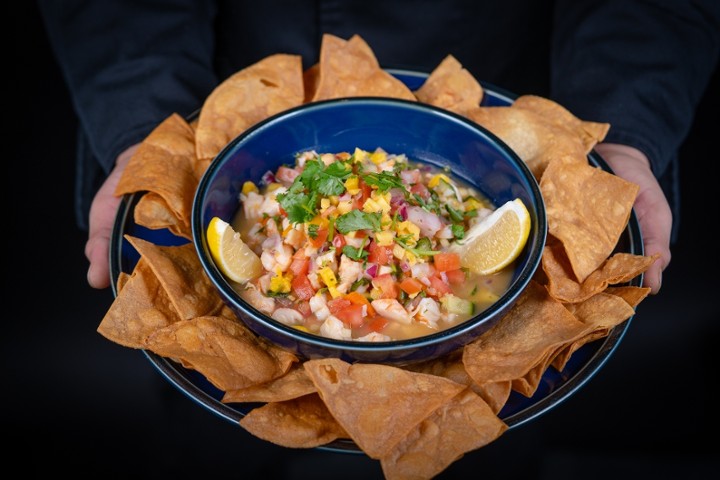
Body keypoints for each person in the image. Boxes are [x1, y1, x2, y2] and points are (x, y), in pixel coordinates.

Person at [38, 0, 719, 296]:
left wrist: (622, 130)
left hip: (494, 94)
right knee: (213, 445)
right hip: (228, 91)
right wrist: (145, 132)